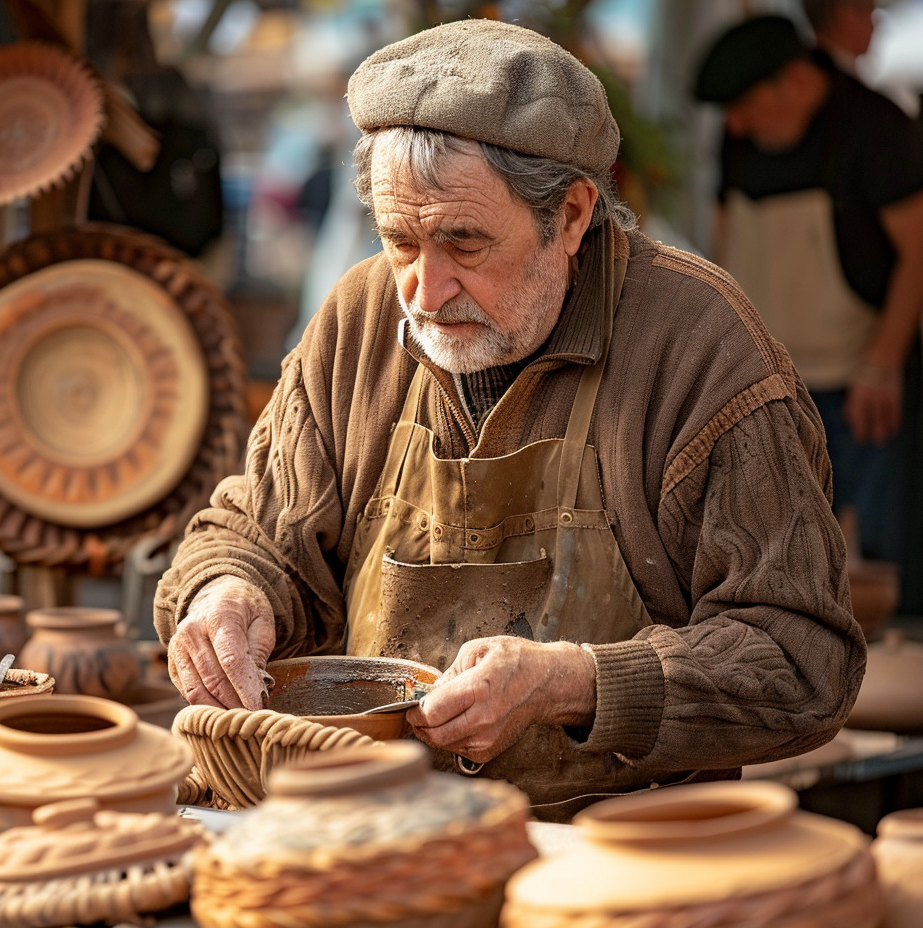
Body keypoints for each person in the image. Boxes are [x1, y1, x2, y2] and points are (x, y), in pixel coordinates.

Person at [155, 19, 865, 820]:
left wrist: (574, 683)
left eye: (464, 243)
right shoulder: (355, 322)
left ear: (570, 216)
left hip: (611, 855)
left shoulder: (702, 349)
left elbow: (802, 662)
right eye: (400, 242)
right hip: (367, 837)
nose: (423, 291)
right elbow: (256, 534)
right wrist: (227, 594)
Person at [694, 15, 923, 571]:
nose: (738, 127)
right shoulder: (740, 138)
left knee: (872, 558)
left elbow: (918, 250)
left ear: (795, 83)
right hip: (770, 384)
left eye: (746, 107)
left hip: (861, 386)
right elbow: (728, 245)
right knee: (780, 554)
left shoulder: (874, 126)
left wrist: (884, 361)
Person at [802, 0, 919, 117]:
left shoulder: (803, 75)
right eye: (869, 9)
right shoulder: (867, 107)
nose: (876, 23)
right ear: (846, 15)